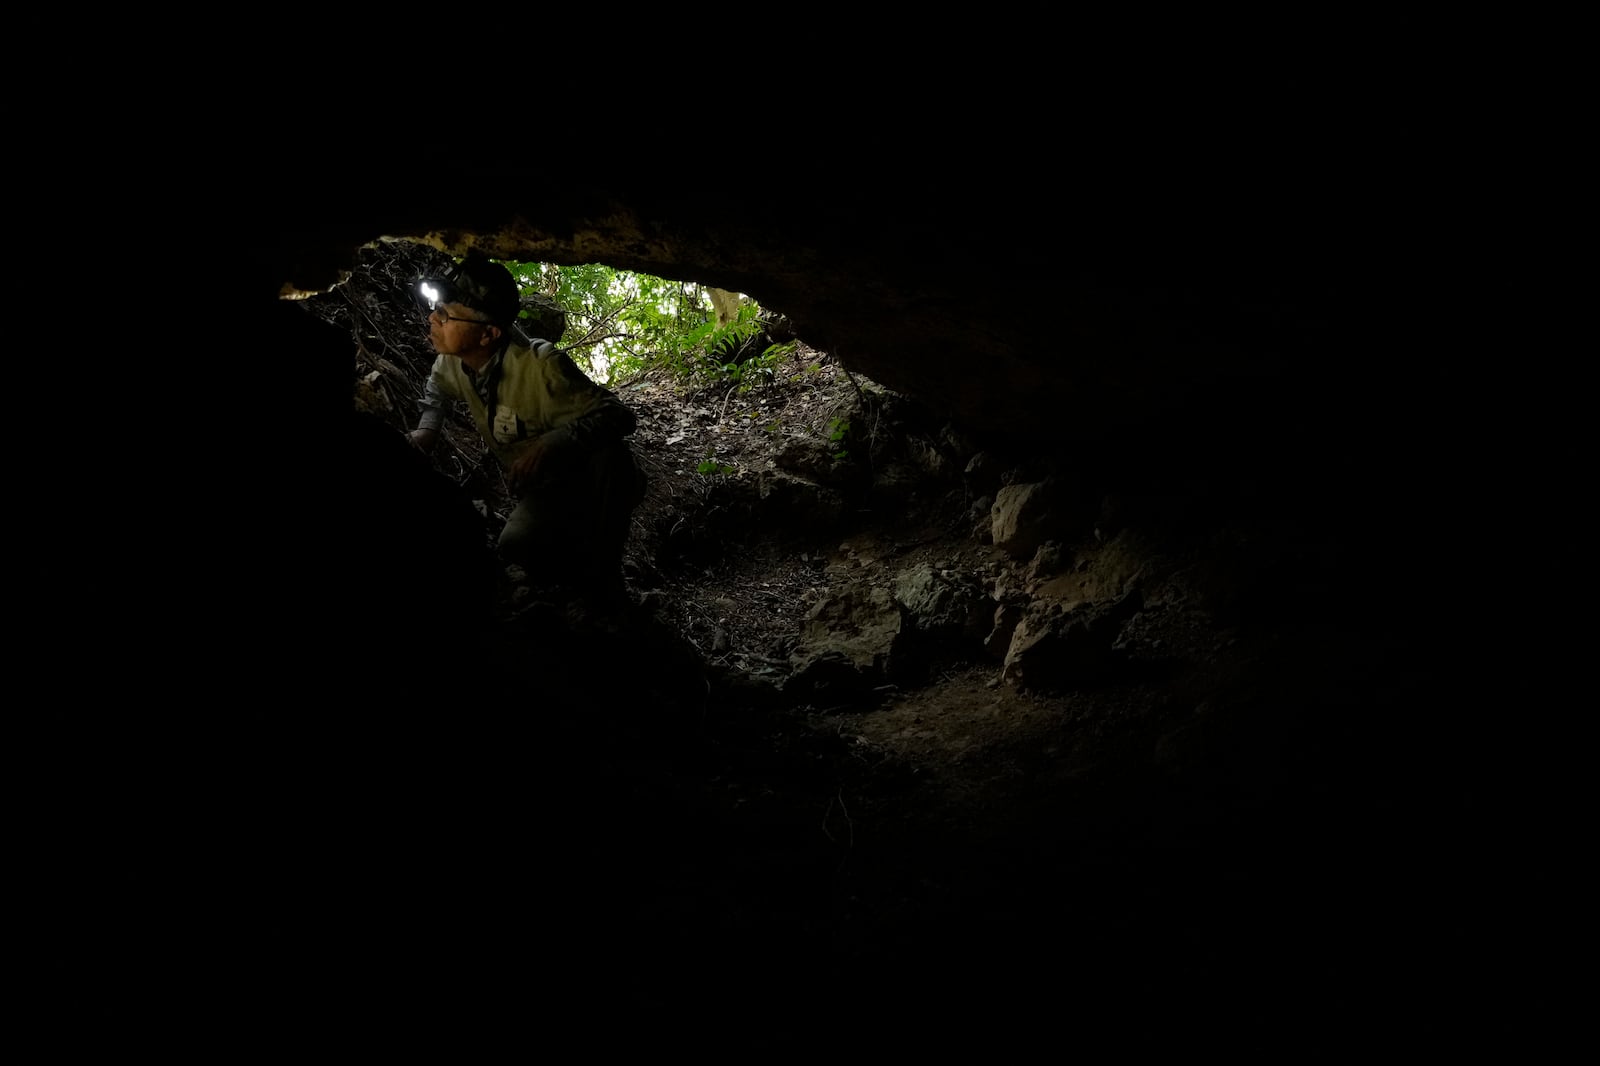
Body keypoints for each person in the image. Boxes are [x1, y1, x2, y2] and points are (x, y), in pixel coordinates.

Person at [408, 251, 646, 617]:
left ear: (489, 333)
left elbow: (619, 415)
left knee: (612, 458)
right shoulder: (452, 362)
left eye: (446, 314)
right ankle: (574, 568)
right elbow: (436, 393)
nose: (433, 318)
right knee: (517, 547)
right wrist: (426, 431)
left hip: (589, 482)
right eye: (436, 308)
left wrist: (554, 442)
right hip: (547, 491)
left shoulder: (542, 367)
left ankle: (606, 584)